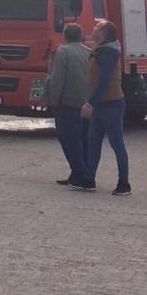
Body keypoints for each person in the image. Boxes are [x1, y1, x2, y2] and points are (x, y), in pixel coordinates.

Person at [78, 20, 131, 195]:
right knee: (93, 142)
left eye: (97, 27)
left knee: (116, 143)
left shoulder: (108, 53)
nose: (93, 29)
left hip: (111, 105)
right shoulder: (100, 51)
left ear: (103, 33)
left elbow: (104, 80)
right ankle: (89, 179)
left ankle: (124, 183)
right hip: (101, 105)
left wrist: (90, 103)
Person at [45, 23, 91, 188]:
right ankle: (84, 173)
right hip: (86, 105)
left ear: (64, 35)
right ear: (81, 36)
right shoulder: (89, 53)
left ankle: (78, 174)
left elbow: (57, 80)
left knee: (68, 138)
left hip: (68, 104)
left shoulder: (62, 52)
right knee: (83, 139)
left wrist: (53, 101)